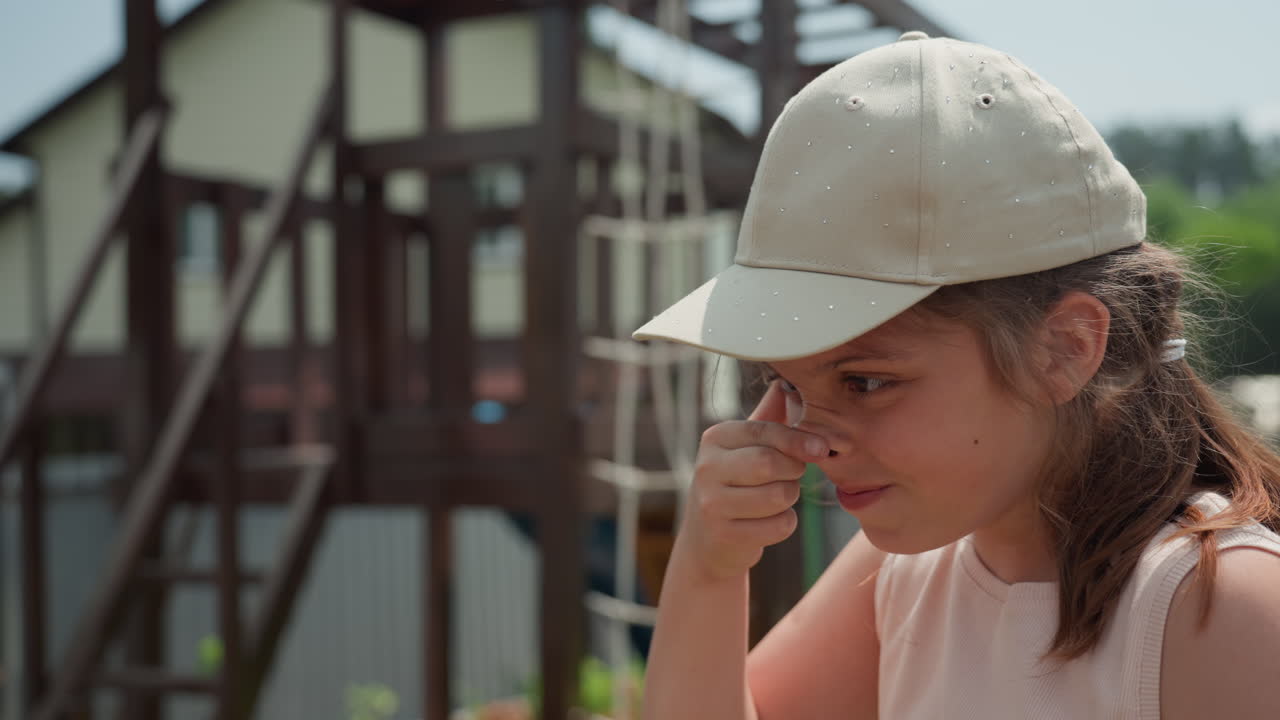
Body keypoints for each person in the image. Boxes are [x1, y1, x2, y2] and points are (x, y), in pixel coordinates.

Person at [631, 30, 1280, 720]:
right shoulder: (902, 573)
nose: (811, 445)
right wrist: (708, 572)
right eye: (789, 385)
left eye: (865, 382)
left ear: (1065, 348)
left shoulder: (1218, 604)